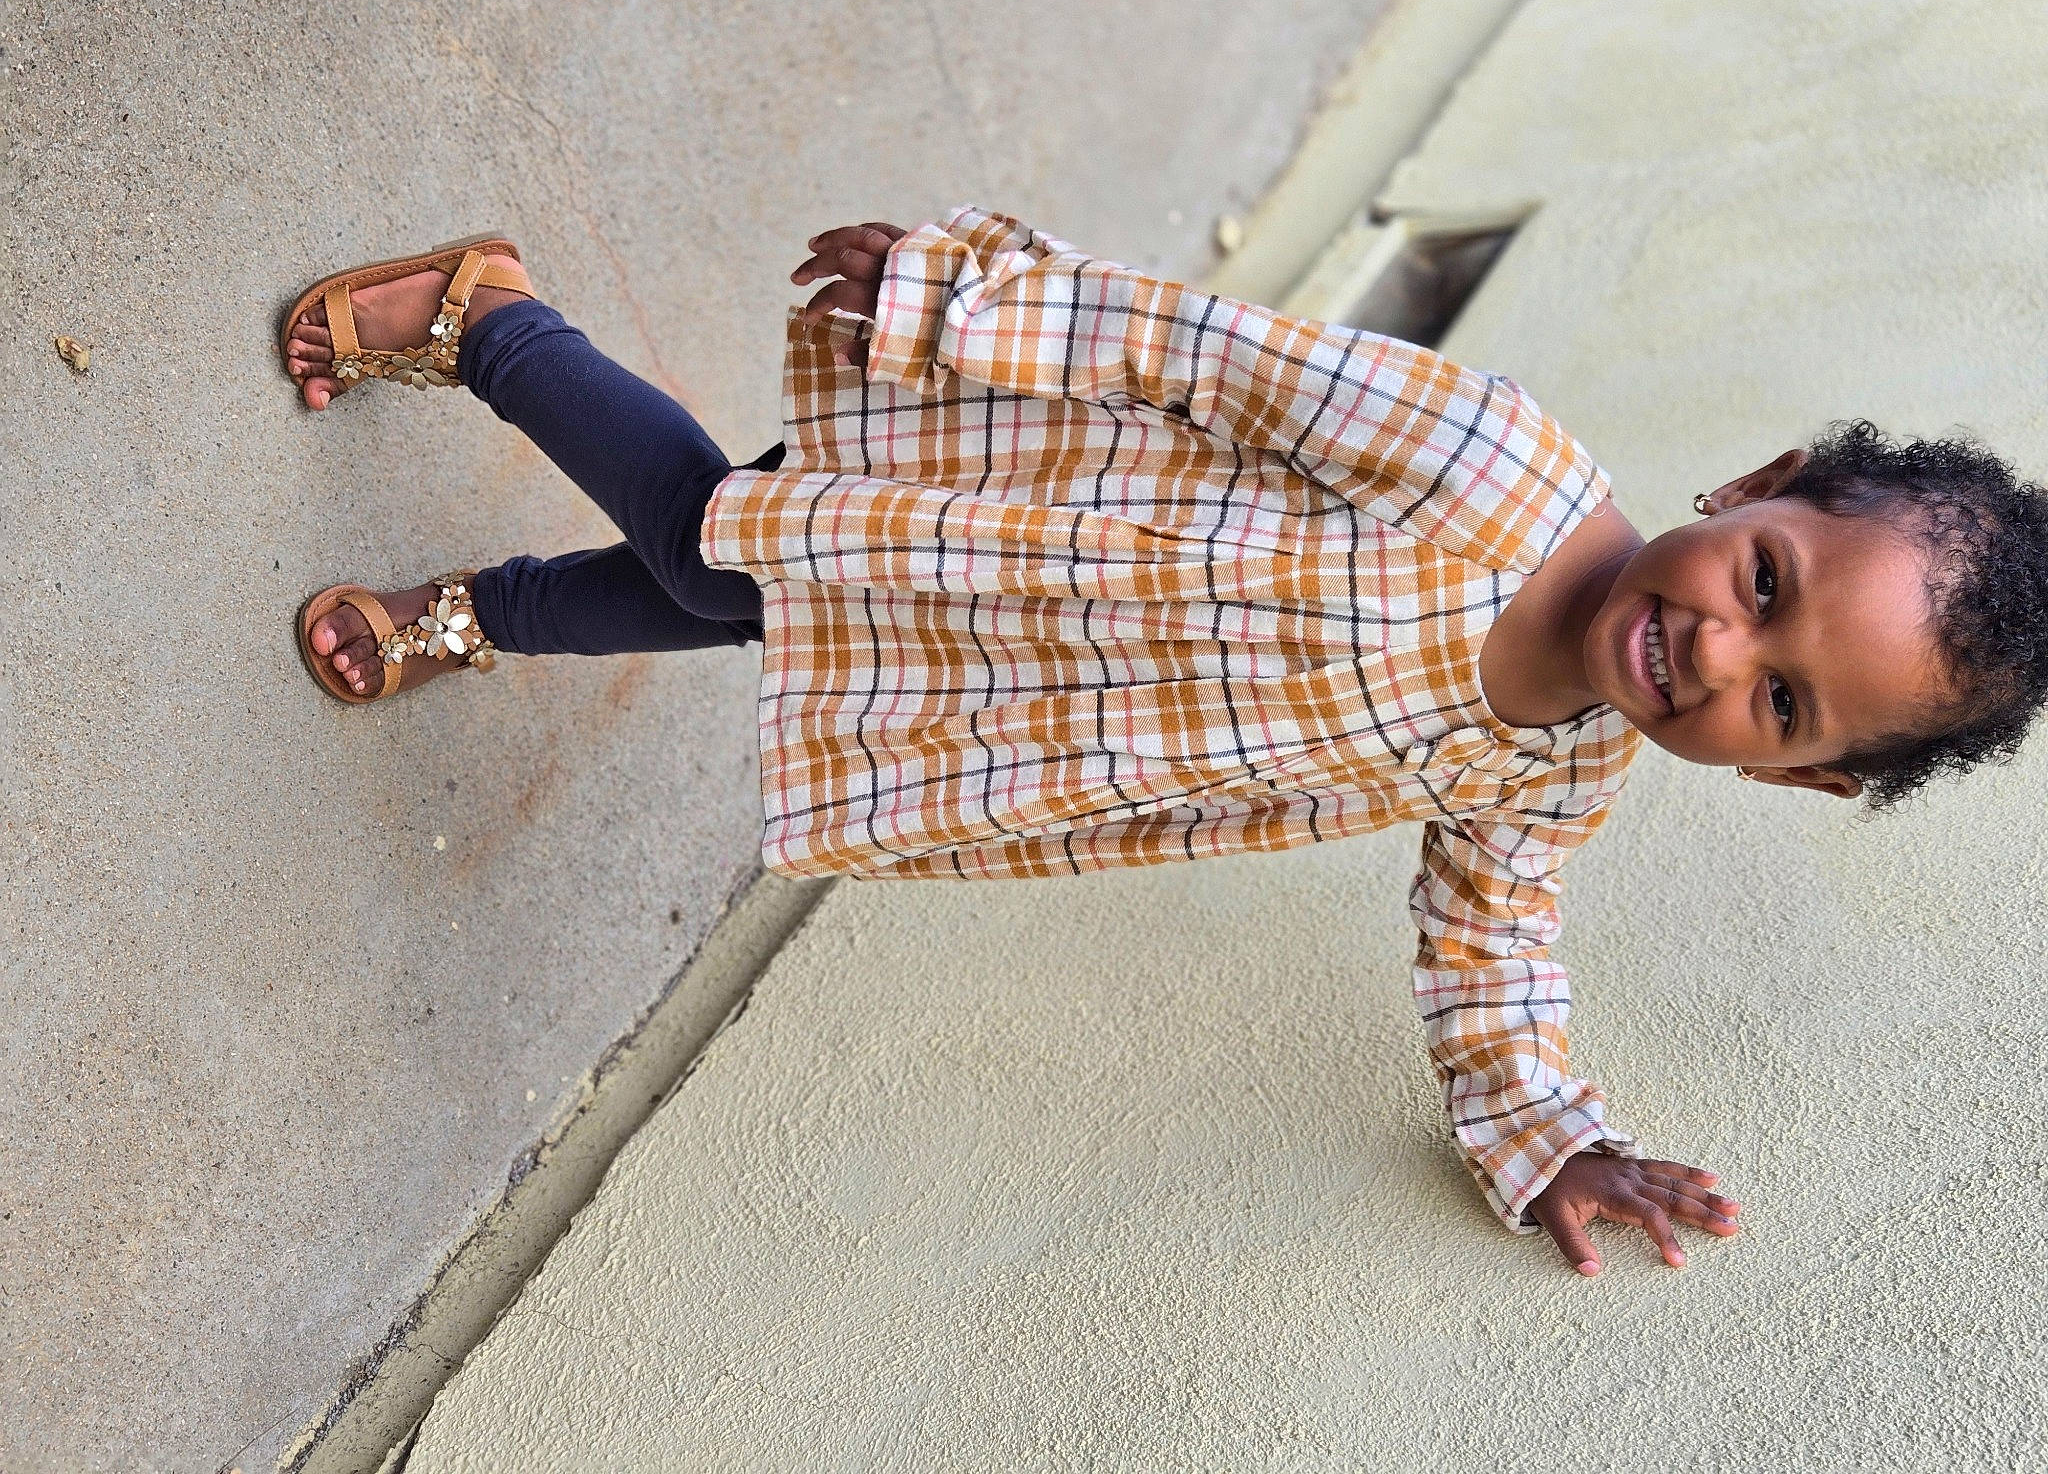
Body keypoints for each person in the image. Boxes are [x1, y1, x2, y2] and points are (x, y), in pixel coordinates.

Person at [280, 208, 2048, 1276]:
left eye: (1784, 697)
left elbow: (1491, 939)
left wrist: (1546, 1133)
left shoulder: (1555, 772)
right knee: (712, 544)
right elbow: (1221, 357)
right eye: (1764, 579)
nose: (1721, 648)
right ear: (1756, 491)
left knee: (748, 596)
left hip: (1016, 686)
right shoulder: (1491, 462)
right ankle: (492, 320)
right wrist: (962, 304)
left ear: (1794, 772)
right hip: (1009, 520)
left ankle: (483, 611)